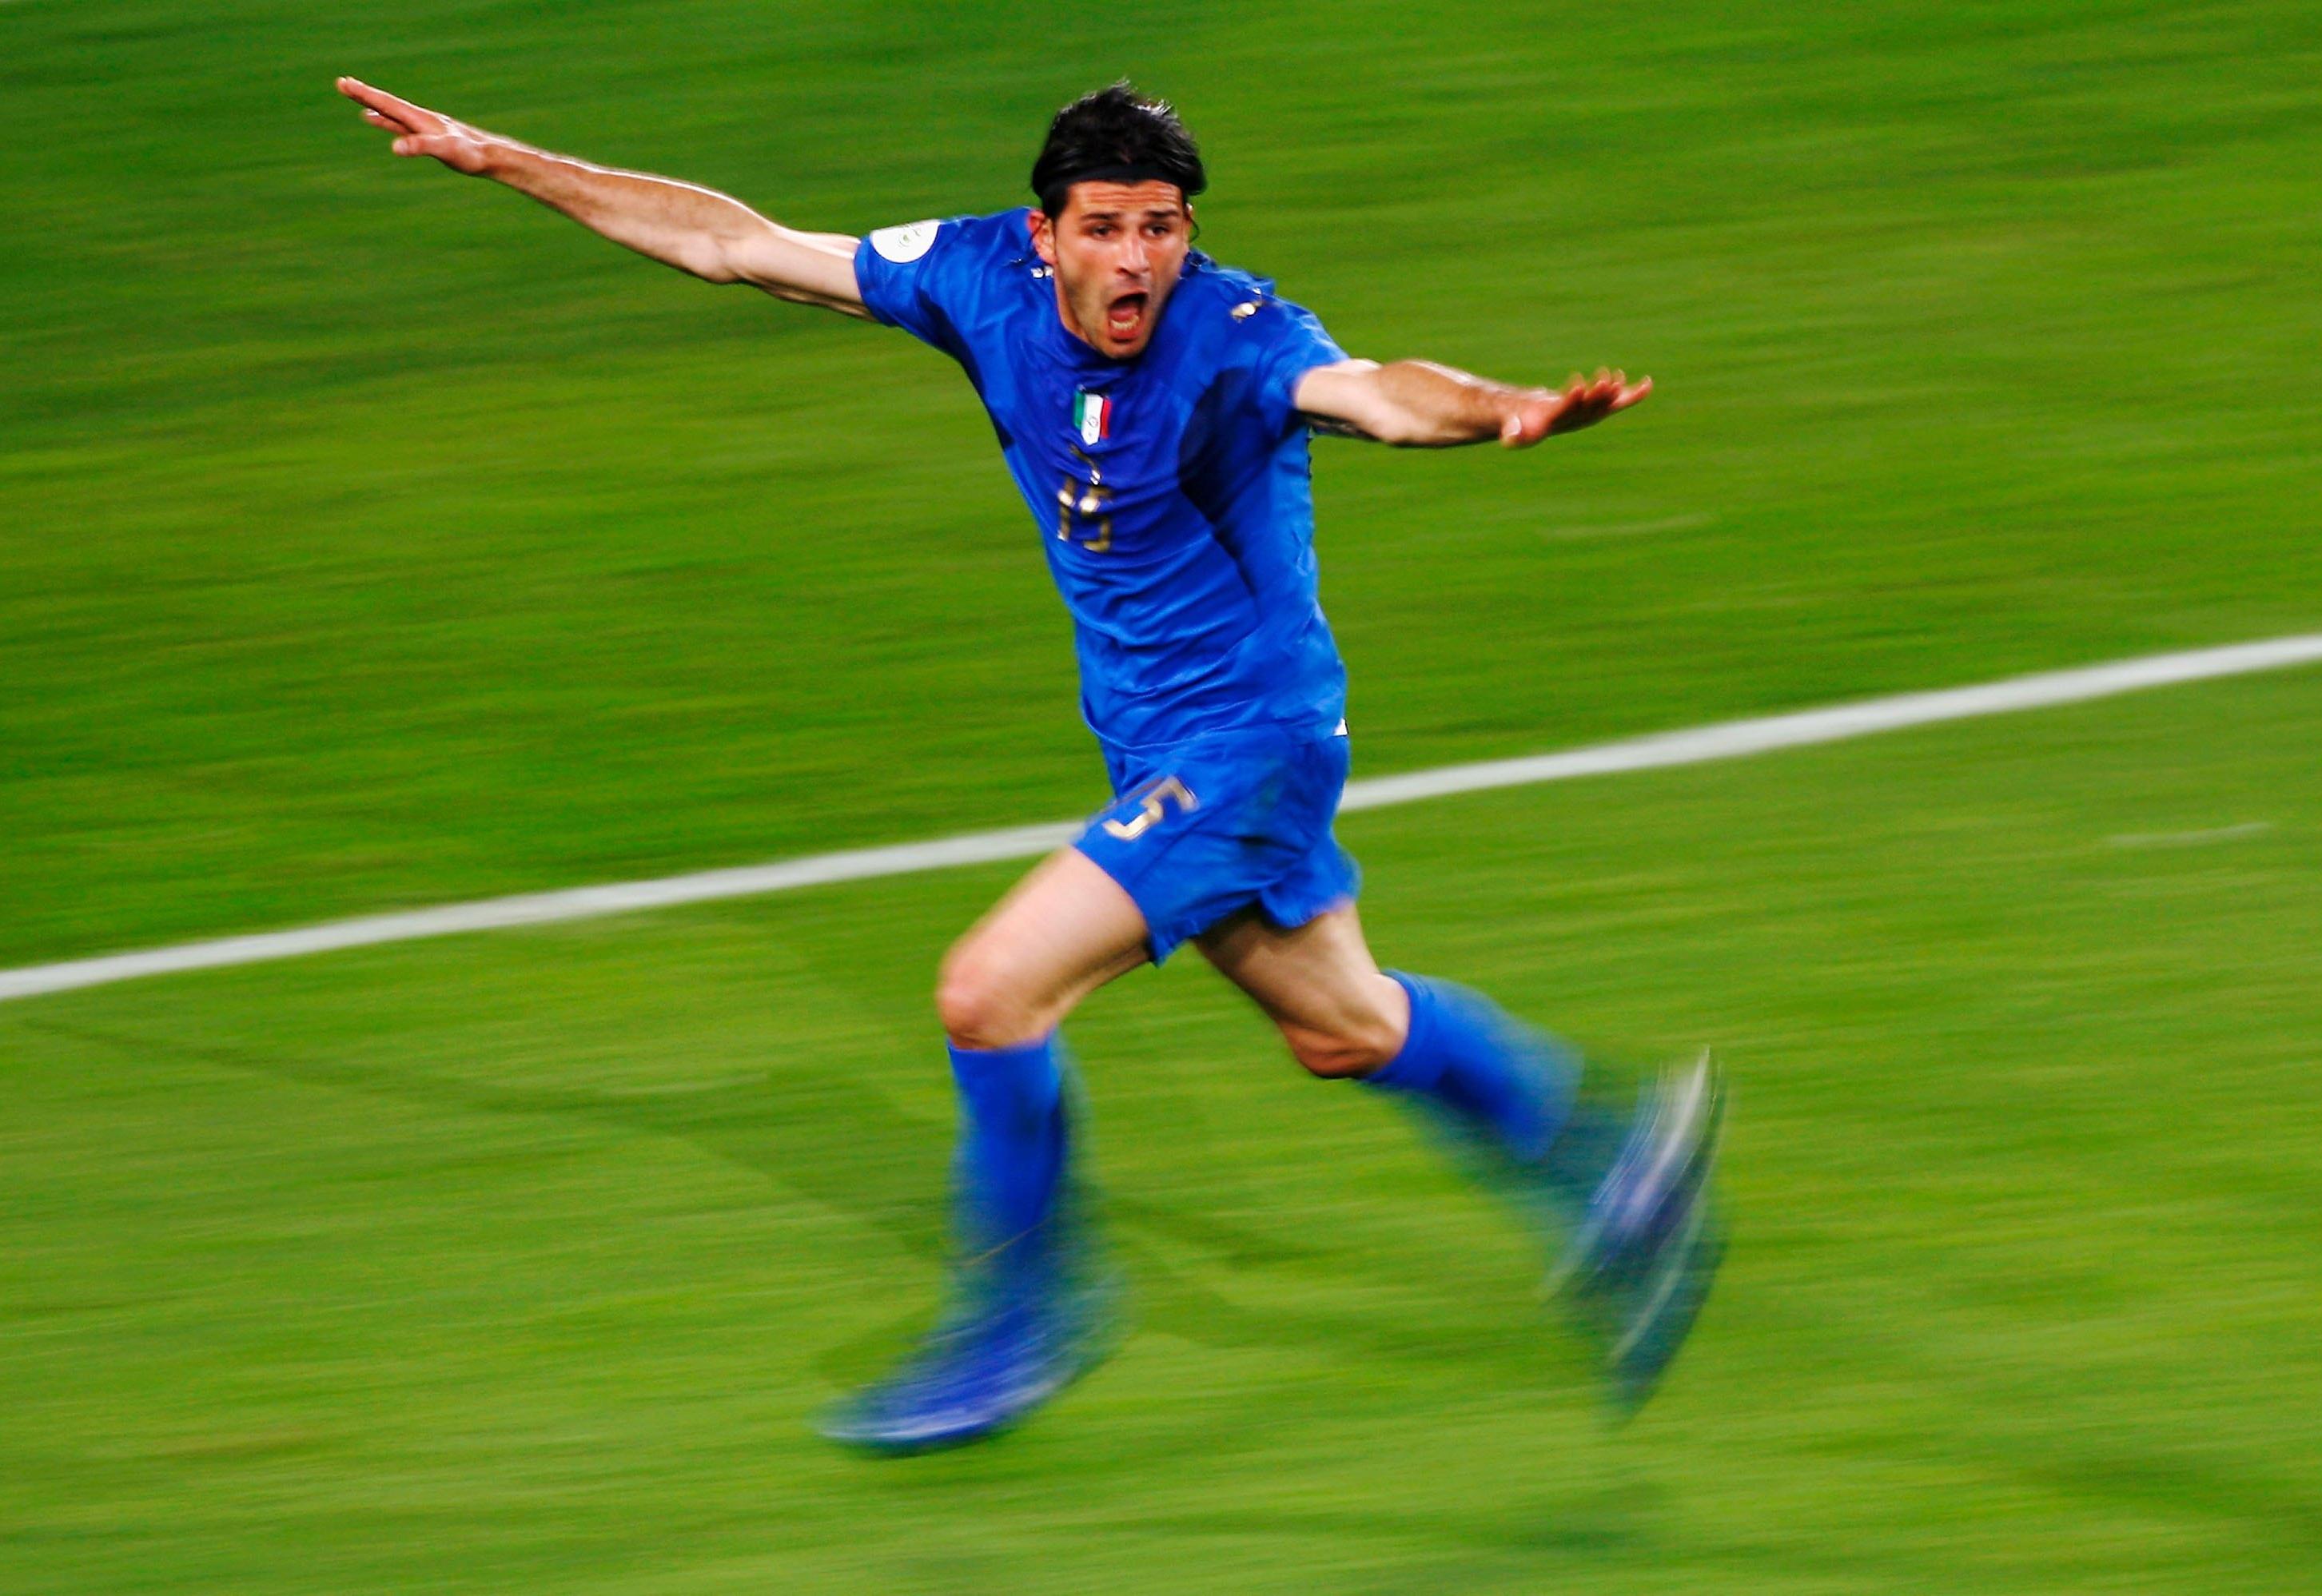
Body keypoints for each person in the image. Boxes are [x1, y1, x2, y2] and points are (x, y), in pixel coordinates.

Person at [336, 76, 1723, 1451]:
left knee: (987, 993)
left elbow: (1378, 393)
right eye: (1108, 228)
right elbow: (732, 242)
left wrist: (1505, 409)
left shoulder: (1241, 336)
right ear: (1044, 233)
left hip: (1247, 745)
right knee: (1341, 1028)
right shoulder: (973, 278)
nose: (1138, 259)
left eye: (1164, 227)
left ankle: (1024, 1323)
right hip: (1167, 746)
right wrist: (503, 159)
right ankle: (1615, 1161)